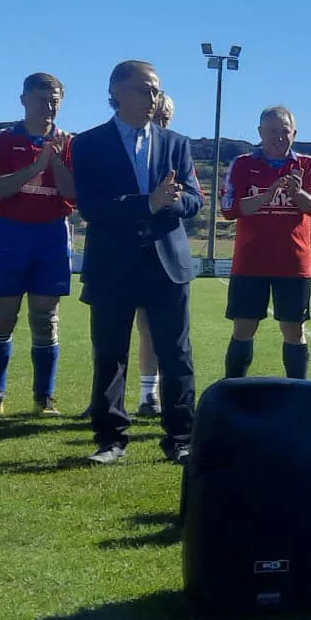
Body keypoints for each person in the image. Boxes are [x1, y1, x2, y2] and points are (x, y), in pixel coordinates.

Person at [71, 60, 203, 465]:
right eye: (145, 89)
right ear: (117, 92)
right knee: (110, 352)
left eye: (156, 90)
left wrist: (175, 201)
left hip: (167, 262)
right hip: (113, 263)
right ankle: (110, 439)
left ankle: (181, 437)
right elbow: (91, 206)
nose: (153, 98)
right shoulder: (90, 144)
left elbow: (195, 201)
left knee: (176, 353)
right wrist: (148, 203)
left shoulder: (175, 143)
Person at [0, 73, 76, 418]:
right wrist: (36, 165)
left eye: (54, 99)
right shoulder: (2, 141)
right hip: (9, 233)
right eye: (39, 98)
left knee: (46, 319)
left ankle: (44, 398)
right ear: (23, 100)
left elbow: (72, 194)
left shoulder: (70, 143)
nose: (47, 106)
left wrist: (58, 160)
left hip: (51, 235)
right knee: (3, 318)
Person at [219, 106, 311, 380]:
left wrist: (297, 194)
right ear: (260, 132)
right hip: (250, 262)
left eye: (284, 131)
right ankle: (234, 390)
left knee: (294, 330)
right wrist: (267, 196)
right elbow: (229, 208)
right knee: (244, 328)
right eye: (271, 131)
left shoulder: (306, 164)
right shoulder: (243, 164)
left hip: (293, 263)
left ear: (294, 133)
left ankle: (298, 393)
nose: (278, 137)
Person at [135, 93, 175, 416]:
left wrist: (169, 199)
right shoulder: (127, 150)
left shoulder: (175, 152)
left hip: (162, 255)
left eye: (165, 119)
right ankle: (103, 395)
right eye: (156, 117)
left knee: (152, 328)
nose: (159, 124)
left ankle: (151, 395)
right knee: (111, 329)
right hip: (121, 253)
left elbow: (194, 201)